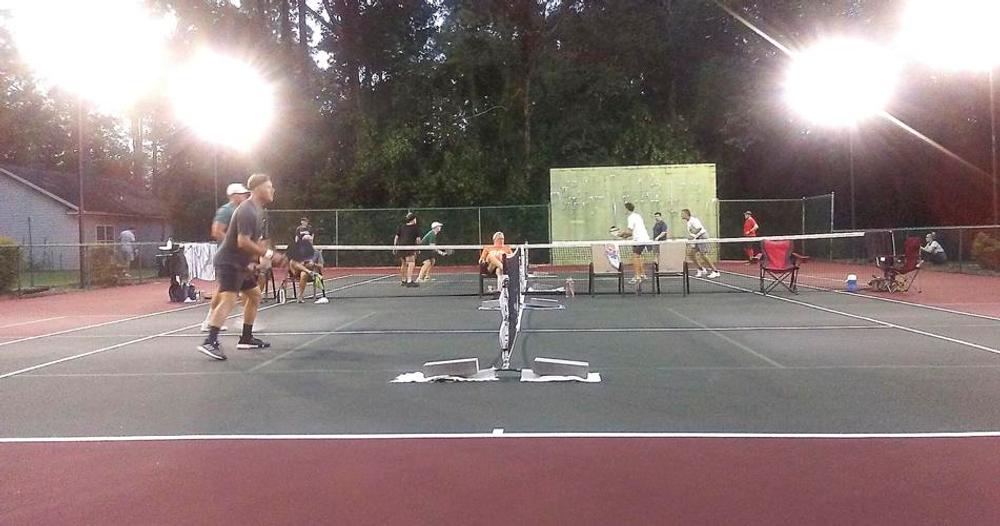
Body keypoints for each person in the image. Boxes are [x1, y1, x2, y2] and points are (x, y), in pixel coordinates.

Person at [197, 174, 284, 361]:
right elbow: (242, 241)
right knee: (229, 300)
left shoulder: (258, 211)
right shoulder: (247, 210)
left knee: (254, 295)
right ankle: (209, 341)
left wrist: (256, 261)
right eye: (269, 187)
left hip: (241, 263)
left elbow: (253, 242)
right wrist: (268, 255)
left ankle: (246, 338)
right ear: (258, 189)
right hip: (229, 261)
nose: (272, 190)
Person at [200, 183, 251, 332]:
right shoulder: (226, 210)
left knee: (245, 291)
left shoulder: (240, 211)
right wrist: (234, 244)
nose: (245, 197)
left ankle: (241, 320)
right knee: (227, 291)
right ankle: (211, 322)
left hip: (237, 258)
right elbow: (216, 231)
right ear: (234, 196)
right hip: (228, 259)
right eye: (242, 194)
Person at [681, 208, 719, 279]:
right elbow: (692, 232)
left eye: (682, 214)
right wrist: (692, 237)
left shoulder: (693, 220)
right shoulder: (688, 222)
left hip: (702, 237)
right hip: (697, 239)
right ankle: (701, 269)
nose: (681, 215)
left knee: (703, 255)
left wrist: (692, 236)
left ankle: (715, 271)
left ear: (686, 214)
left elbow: (699, 228)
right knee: (691, 254)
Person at [288, 232, 323, 302]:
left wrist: (314, 264)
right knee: (293, 261)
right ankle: (308, 271)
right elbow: (292, 263)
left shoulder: (317, 252)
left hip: (309, 273)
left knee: (304, 273)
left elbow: (321, 266)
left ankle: (300, 296)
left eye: (310, 241)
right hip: (296, 272)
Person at [624, 202, 651, 284]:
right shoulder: (637, 215)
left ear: (627, 209)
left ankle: (637, 276)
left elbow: (629, 232)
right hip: (644, 239)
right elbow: (633, 231)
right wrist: (625, 235)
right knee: (638, 256)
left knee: (635, 256)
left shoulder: (631, 217)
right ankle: (642, 274)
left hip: (640, 240)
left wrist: (620, 234)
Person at [394, 212, 422, 287]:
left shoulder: (401, 226)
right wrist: (418, 247)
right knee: (411, 263)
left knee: (403, 263)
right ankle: (409, 281)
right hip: (408, 247)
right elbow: (418, 240)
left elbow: (396, 237)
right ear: (413, 219)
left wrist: (395, 247)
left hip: (400, 247)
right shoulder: (415, 227)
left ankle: (403, 280)